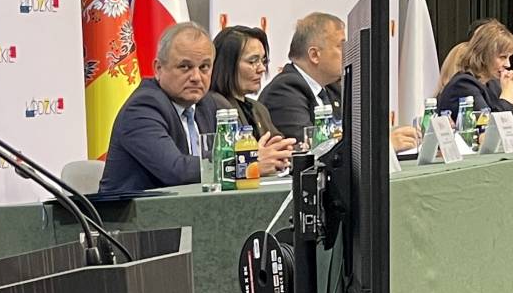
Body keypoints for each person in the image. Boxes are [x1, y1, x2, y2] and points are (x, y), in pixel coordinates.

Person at [99, 21, 292, 196]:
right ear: (158, 69)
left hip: (190, 213)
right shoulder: (143, 107)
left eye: (204, 67)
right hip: (133, 220)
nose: (196, 77)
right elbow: (176, 171)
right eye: (185, 67)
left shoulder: (208, 104)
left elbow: (228, 156)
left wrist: (272, 158)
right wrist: (247, 163)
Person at [257, 11, 345, 143]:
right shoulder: (284, 92)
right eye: (341, 46)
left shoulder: (332, 89)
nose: (347, 52)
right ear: (314, 55)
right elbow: (310, 147)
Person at [437, 19, 513, 130]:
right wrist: (507, 93)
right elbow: (490, 129)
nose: (508, 64)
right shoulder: (463, 85)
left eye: (509, 57)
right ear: (484, 55)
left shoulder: (492, 84)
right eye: (502, 57)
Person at [210, 24, 278, 136]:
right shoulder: (212, 106)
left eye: (263, 61)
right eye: (252, 61)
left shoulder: (260, 110)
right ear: (227, 65)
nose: (262, 69)